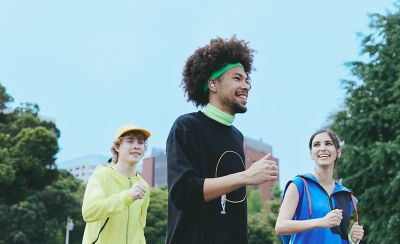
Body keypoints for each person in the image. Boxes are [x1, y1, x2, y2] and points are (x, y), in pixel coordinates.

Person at [166, 36, 279, 244]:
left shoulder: (237, 137)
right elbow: (183, 192)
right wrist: (245, 176)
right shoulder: (186, 126)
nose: (246, 85)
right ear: (213, 84)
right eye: (237, 78)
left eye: (247, 80)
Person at [275, 129, 364, 244]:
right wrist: (322, 222)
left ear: (338, 152)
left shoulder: (346, 195)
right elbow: (280, 226)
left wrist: (352, 240)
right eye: (316, 145)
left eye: (328, 143)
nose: (322, 148)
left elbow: (337, 238)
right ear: (311, 154)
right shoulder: (299, 184)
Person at [82, 125, 151, 244]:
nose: (136, 146)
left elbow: (140, 227)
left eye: (140, 142)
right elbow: (89, 212)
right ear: (117, 147)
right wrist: (128, 196)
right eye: (130, 141)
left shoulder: (143, 185)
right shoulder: (101, 176)